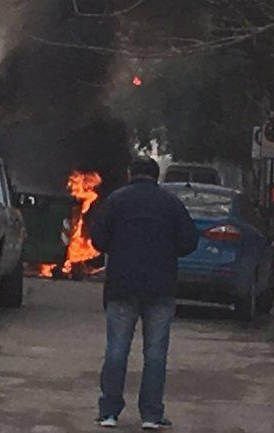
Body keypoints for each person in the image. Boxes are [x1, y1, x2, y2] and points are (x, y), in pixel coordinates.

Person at [91, 156, 199, 430]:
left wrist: (119, 247)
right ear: (156, 176)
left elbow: (97, 239)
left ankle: (109, 413)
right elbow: (189, 241)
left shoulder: (116, 201)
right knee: (155, 354)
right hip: (160, 287)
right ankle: (151, 415)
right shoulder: (170, 203)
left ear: (131, 174)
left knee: (116, 350)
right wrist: (167, 250)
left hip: (122, 285)